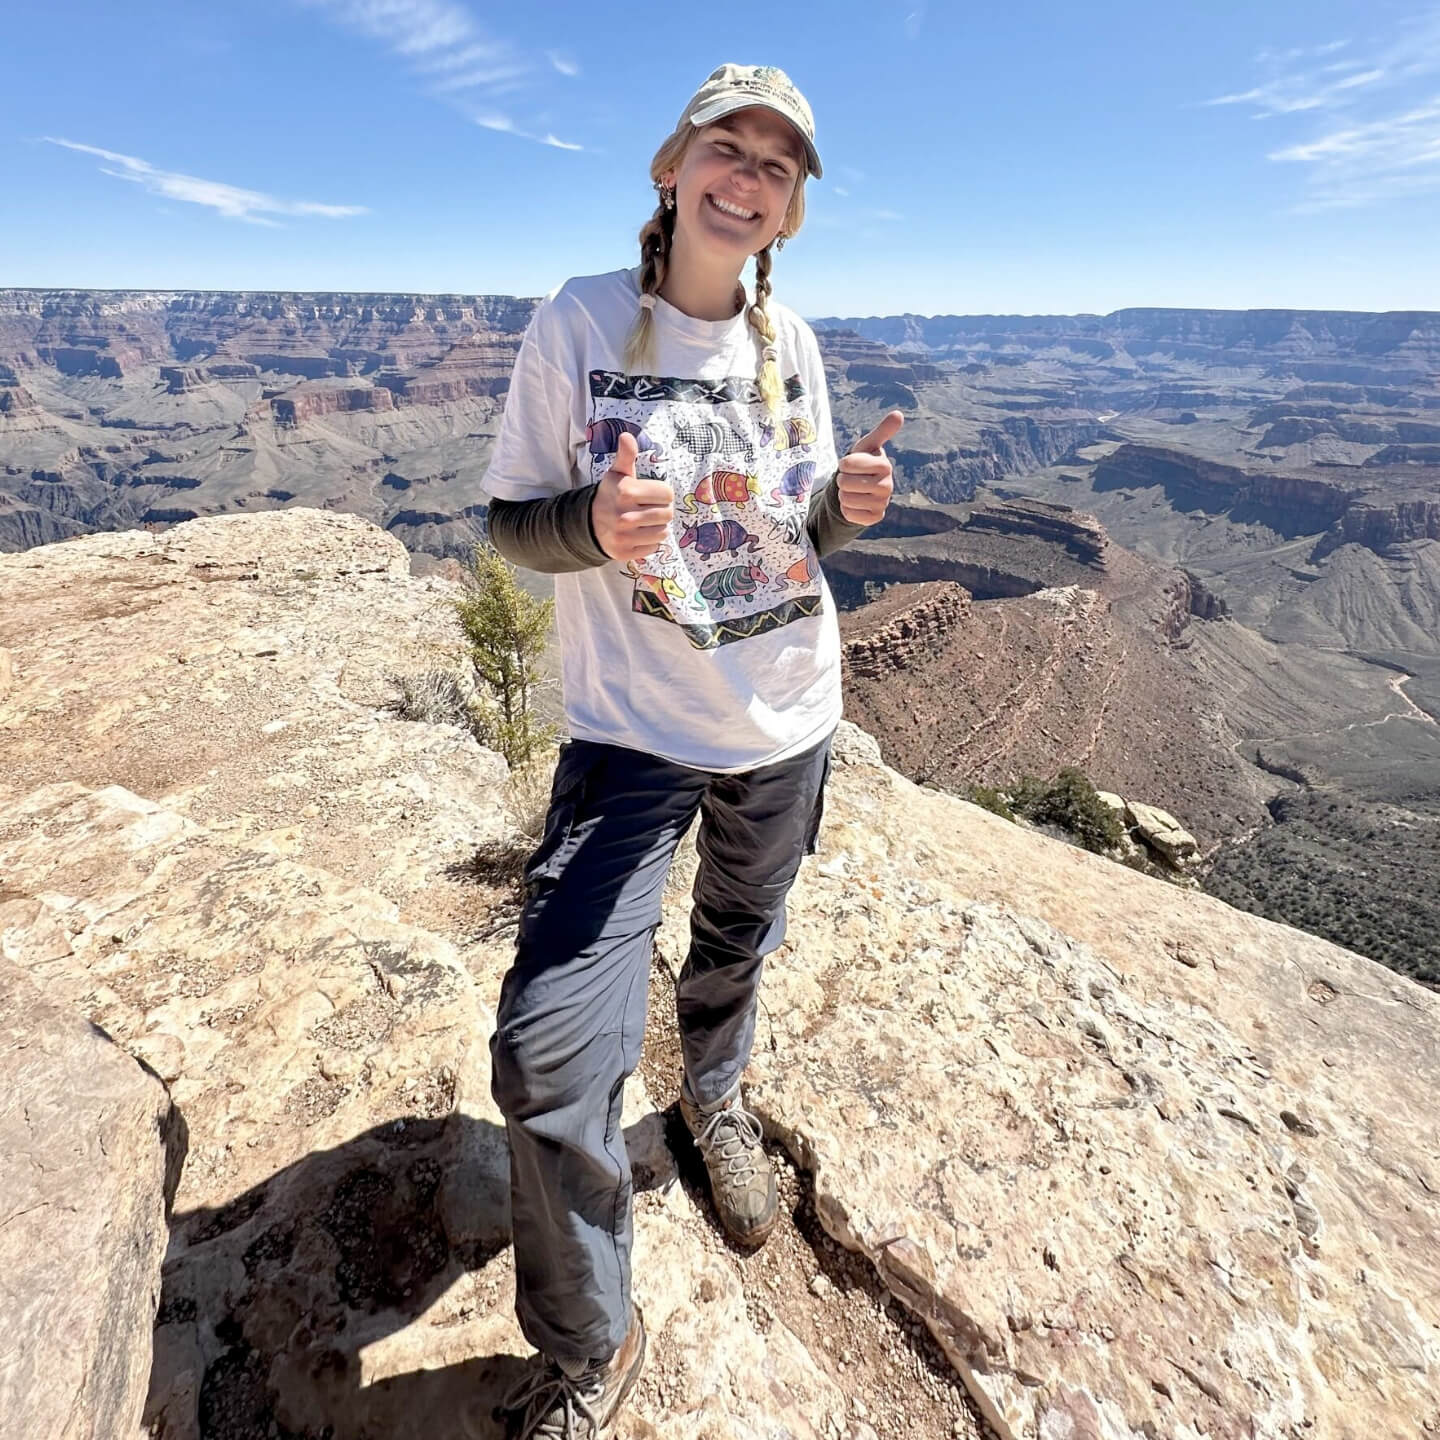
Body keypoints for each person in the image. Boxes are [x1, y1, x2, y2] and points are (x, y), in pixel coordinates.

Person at [479, 61, 902, 1440]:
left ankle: (713, 1100)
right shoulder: (584, 319)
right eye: (731, 147)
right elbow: (510, 524)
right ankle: (592, 1340)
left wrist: (846, 506)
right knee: (548, 1056)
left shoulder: (796, 350)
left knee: (737, 942)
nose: (749, 176)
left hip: (784, 714)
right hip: (630, 734)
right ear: (674, 167)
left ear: (789, 210)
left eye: (778, 166)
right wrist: (591, 534)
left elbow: (793, 539)